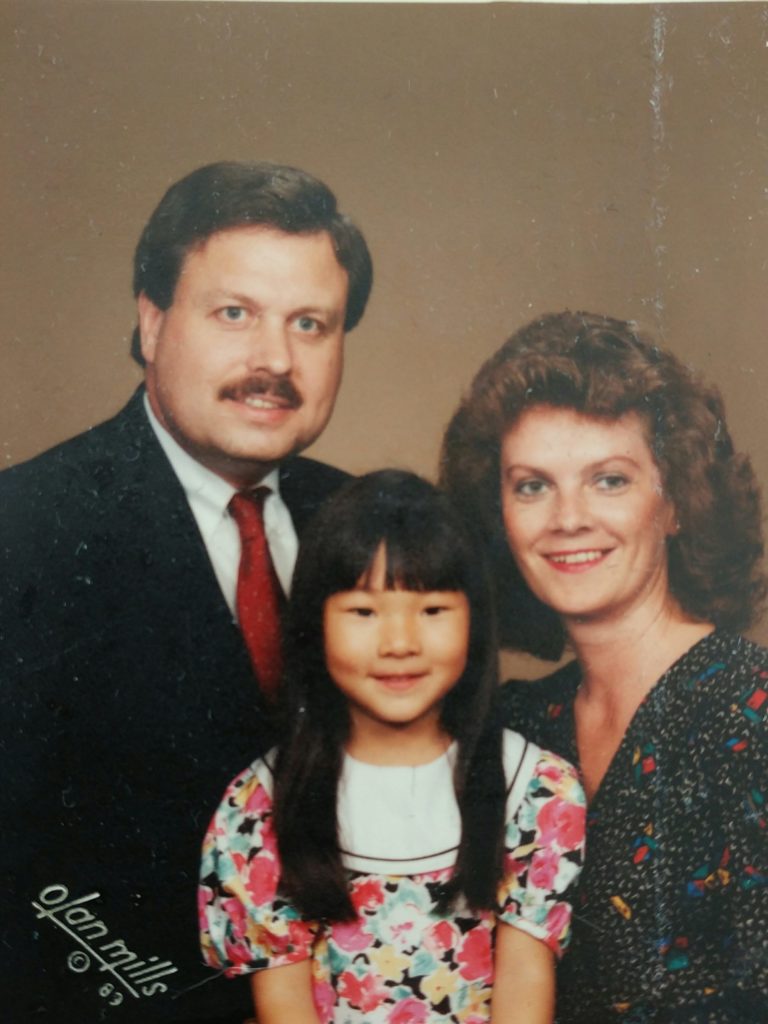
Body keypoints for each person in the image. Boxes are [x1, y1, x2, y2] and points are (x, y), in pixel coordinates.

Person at [0, 161, 372, 1023]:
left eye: (310, 324)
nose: (274, 360)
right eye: (234, 313)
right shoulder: (22, 530)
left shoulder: (371, 525)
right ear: (152, 320)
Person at [440, 310, 768, 1023]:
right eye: (532, 485)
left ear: (677, 502)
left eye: (609, 480)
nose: (567, 518)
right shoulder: (514, 724)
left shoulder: (753, 710)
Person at [199, 470, 586, 1024]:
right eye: (363, 611)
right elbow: (283, 1009)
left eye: (432, 611)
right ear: (316, 626)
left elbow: (526, 989)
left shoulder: (536, 790)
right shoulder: (259, 806)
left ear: (474, 623)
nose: (399, 643)